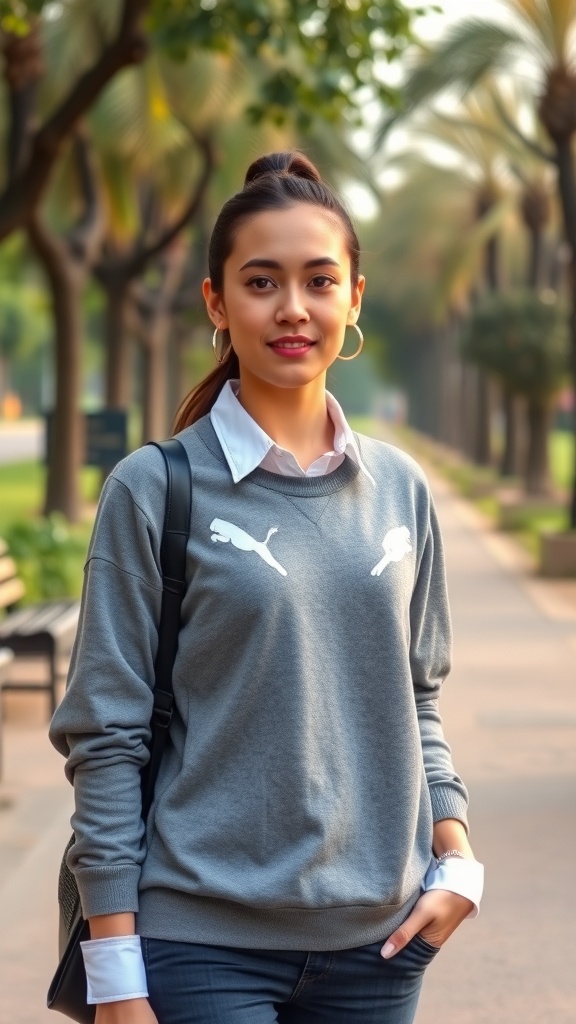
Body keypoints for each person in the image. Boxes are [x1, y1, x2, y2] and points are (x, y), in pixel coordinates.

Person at [50, 151, 484, 1024]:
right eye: (261, 281)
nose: (293, 308)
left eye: (320, 280)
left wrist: (458, 861)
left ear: (353, 298)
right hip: (200, 945)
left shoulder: (401, 490)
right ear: (217, 302)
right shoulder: (154, 488)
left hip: (383, 945)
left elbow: (417, 698)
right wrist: (116, 976)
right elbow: (106, 736)